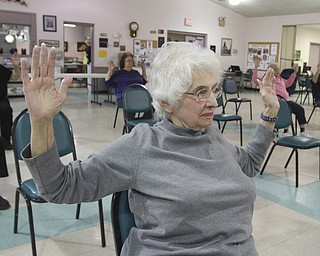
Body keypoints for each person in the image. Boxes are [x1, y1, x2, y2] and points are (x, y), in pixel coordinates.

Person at [21, 42, 279, 255]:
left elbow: (248, 165)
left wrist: (269, 114)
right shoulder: (142, 145)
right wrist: (42, 122)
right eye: (200, 92)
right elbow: (60, 187)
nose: (213, 102)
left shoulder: (211, 136)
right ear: (167, 102)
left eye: (213, 90)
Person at [252, 56, 310, 137]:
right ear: (270, 70)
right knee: (287, 110)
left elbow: (289, 83)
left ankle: (303, 130)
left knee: (300, 109)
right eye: (275, 69)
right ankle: (286, 131)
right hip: (277, 101)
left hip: (287, 100)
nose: (277, 71)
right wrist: (256, 66)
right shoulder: (267, 79)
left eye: (278, 69)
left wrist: (295, 72)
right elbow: (255, 79)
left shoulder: (281, 79)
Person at [0, 50, 20, 150]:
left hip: (1, 100)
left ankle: (6, 140)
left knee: (6, 110)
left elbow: (15, 76)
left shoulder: (2, 70)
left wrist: (16, 66)